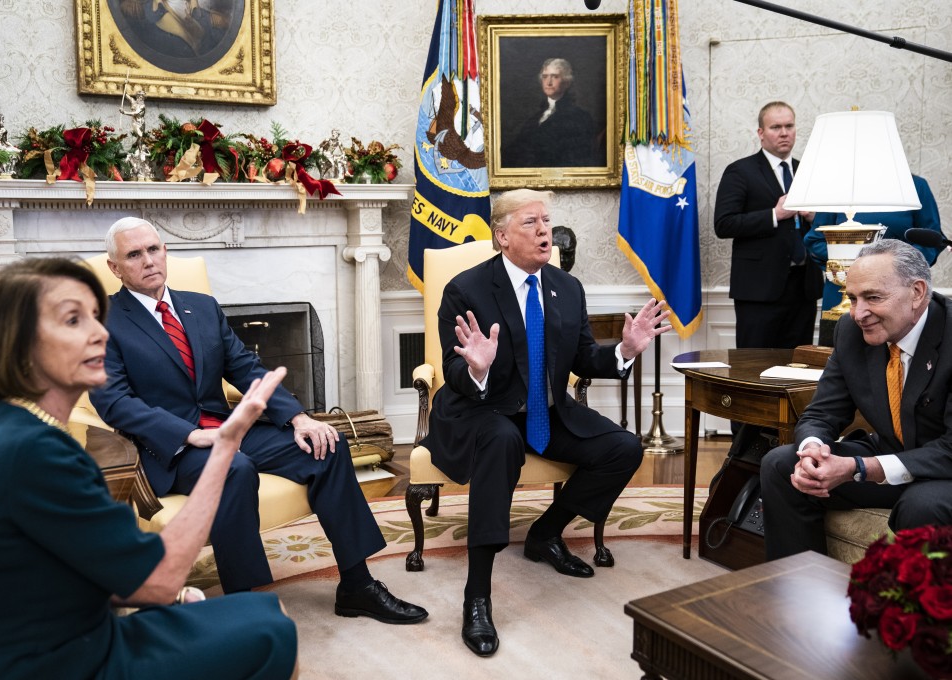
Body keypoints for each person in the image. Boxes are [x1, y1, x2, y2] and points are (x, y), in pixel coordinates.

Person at [0, 257, 298, 679]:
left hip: (70, 635)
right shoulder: (33, 452)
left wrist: (172, 599)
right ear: (17, 345)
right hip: (47, 664)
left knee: (265, 610)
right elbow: (160, 578)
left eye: (95, 316)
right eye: (73, 320)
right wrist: (226, 447)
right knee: (273, 629)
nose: (100, 333)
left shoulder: (19, 428)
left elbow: (75, 564)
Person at [89, 217, 427, 623]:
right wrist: (189, 435)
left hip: (226, 428)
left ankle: (356, 585)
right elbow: (115, 403)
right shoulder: (103, 322)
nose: (148, 260)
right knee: (235, 468)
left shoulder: (201, 307)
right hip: (170, 449)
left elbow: (246, 367)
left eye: (154, 249)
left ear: (165, 252)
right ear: (114, 267)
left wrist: (299, 419)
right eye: (134, 254)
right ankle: (242, 603)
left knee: (326, 446)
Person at [422, 189, 670, 656]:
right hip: (481, 411)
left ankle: (545, 533)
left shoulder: (566, 287)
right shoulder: (466, 289)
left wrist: (625, 351)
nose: (545, 232)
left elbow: (583, 356)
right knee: (499, 440)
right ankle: (477, 596)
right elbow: (454, 374)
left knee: (624, 448)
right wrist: (476, 366)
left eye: (547, 222)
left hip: (543, 412)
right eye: (531, 223)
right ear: (501, 237)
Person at [759, 239, 952, 560]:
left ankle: (909, 610)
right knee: (782, 465)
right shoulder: (851, 330)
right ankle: (800, 593)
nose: (858, 313)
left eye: (873, 297)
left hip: (945, 470)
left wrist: (861, 468)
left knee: (921, 505)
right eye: (852, 298)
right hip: (894, 452)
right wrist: (813, 452)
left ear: (917, 293)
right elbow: (821, 413)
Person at [713, 101, 823, 349]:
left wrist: (814, 217)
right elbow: (724, 224)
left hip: (804, 287)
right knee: (754, 367)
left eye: (789, 126)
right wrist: (774, 214)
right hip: (758, 290)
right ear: (761, 133)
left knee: (797, 368)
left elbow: (827, 223)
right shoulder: (740, 171)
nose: (784, 133)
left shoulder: (806, 171)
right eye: (775, 127)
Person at [806, 173, 942, 345]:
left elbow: (931, 240)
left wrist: (895, 265)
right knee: (838, 355)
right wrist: (854, 260)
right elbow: (814, 240)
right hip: (843, 289)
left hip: (894, 289)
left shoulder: (914, 185)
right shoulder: (840, 184)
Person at [502, 58, 600, 168]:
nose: (549, 82)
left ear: (567, 82)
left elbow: (579, 159)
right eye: (545, 77)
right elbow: (516, 150)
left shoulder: (580, 118)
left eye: (555, 76)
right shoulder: (535, 118)